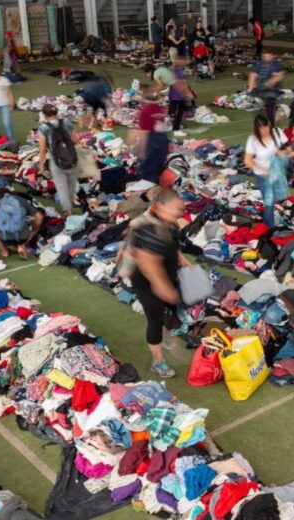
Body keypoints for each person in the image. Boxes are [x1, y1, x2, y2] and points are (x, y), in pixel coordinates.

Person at [129, 188, 191, 378]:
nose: (179, 213)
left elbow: (173, 245)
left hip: (166, 273)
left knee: (171, 308)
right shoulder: (149, 229)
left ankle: (163, 331)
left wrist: (182, 260)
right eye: (175, 208)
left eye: (180, 209)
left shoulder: (170, 224)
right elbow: (147, 262)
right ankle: (158, 361)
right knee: (155, 319)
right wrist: (161, 286)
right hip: (147, 280)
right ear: (159, 206)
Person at [244, 113, 289, 227]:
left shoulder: (277, 133)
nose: (264, 131)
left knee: (276, 199)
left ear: (269, 124)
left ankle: (266, 223)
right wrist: (262, 171)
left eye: (265, 127)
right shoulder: (253, 140)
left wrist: (282, 153)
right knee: (269, 202)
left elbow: (286, 147)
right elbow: (248, 160)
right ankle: (270, 228)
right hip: (262, 176)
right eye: (260, 128)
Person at [38, 104, 79, 214]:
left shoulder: (43, 128)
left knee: (62, 187)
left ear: (44, 115)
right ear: (56, 112)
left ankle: (68, 211)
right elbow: (75, 139)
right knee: (71, 185)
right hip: (72, 158)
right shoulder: (66, 122)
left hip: (56, 161)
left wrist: (41, 164)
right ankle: (70, 203)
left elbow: (42, 149)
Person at [0, 188, 45, 259]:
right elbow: (39, 217)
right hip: (24, 237)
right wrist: (35, 227)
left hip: (5, 239)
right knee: (34, 220)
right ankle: (22, 245)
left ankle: (5, 251)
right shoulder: (20, 200)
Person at [129, 88, 169, 184]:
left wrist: (139, 148)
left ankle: (147, 185)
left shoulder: (146, 111)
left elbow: (144, 130)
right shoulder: (159, 108)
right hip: (162, 139)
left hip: (151, 140)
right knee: (158, 164)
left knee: (148, 166)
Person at [248, 50, 285, 126]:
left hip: (273, 91)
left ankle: (271, 126)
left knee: (270, 111)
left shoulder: (277, 64)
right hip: (261, 90)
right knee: (257, 110)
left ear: (273, 56)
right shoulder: (259, 64)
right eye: (265, 56)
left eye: (268, 56)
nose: (267, 58)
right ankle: (260, 125)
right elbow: (252, 75)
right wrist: (251, 87)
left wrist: (268, 83)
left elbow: (279, 76)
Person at [168, 56, 193, 136]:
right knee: (178, 113)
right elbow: (177, 83)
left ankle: (172, 125)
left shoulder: (176, 69)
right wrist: (187, 93)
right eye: (184, 60)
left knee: (175, 112)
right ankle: (176, 130)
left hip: (177, 95)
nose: (185, 62)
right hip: (177, 96)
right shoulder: (176, 70)